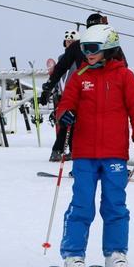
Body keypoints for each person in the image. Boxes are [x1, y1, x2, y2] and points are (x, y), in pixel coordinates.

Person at [54, 24, 134, 267]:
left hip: (114, 153)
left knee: (115, 204)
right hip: (84, 153)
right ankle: (73, 253)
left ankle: (115, 253)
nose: (87, 53)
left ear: (108, 48)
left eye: (93, 48)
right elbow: (63, 107)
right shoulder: (80, 76)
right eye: (84, 49)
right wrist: (66, 115)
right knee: (82, 204)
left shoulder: (124, 76)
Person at [41, 15, 107, 162]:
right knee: (73, 122)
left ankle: (108, 159)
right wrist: (48, 87)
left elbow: (122, 68)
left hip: (104, 92)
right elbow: (60, 68)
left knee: (102, 126)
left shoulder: (109, 45)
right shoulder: (78, 46)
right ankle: (76, 158)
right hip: (83, 92)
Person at [47, 29, 78, 162]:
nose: (69, 43)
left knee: (75, 125)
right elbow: (58, 76)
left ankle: (72, 150)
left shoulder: (80, 59)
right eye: (67, 41)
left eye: (72, 41)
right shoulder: (62, 58)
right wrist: (51, 89)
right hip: (64, 96)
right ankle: (57, 150)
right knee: (65, 123)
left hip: (76, 95)